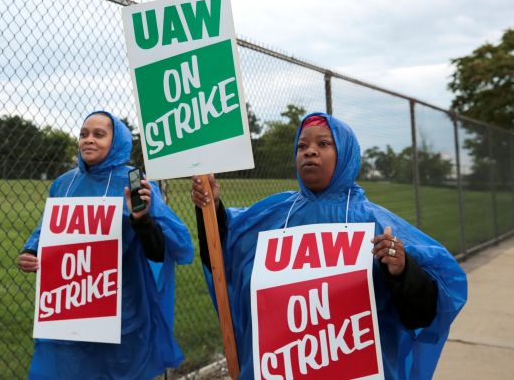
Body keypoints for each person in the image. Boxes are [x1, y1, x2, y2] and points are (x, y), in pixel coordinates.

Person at [191, 112, 467, 380]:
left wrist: (402, 270)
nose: (310, 151)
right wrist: (211, 208)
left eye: (323, 144)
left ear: (345, 154)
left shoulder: (374, 222)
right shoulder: (274, 214)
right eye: (302, 145)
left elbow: (423, 313)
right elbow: (224, 253)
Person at [18, 110, 194, 380]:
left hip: (122, 311)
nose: (89, 140)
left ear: (117, 141)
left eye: (99, 134)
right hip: (70, 309)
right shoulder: (63, 184)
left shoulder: (135, 182)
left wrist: (142, 219)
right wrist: (31, 252)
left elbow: (159, 250)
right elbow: (46, 230)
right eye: (84, 134)